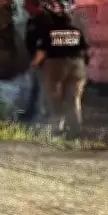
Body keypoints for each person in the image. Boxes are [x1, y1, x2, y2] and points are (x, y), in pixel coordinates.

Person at [30, 8, 89, 138]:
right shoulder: (76, 31)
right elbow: (85, 51)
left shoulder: (50, 31)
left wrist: (34, 65)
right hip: (77, 65)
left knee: (54, 97)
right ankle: (75, 131)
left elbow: (42, 52)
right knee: (73, 99)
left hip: (55, 65)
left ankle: (57, 128)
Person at [21, 0, 52, 122]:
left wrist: (38, 59)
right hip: (35, 57)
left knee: (43, 86)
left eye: (26, 5)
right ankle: (33, 112)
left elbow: (46, 42)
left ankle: (43, 113)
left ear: (34, 5)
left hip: (44, 59)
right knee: (36, 86)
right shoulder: (32, 19)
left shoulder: (45, 20)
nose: (24, 8)